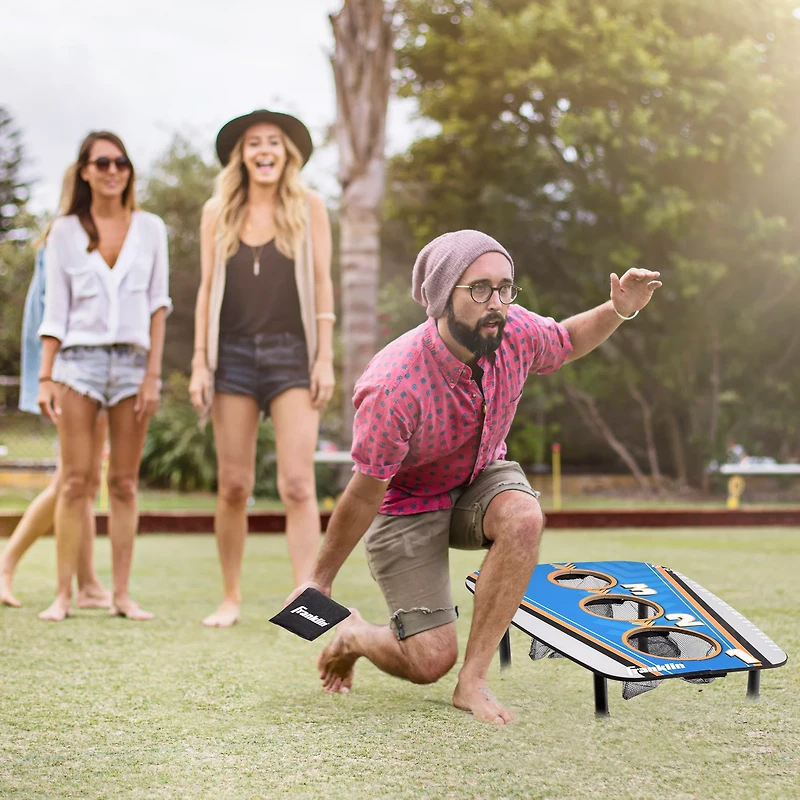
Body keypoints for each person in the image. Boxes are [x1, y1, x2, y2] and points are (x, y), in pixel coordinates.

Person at [288, 230, 662, 725]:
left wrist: (618, 309)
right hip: (407, 504)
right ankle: (356, 634)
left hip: (478, 478)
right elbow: (363, 494)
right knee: (428, 661)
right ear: (443, 297)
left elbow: (568, 341)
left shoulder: (514, 331)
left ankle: (474, 682)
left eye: (505, 287)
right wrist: (320, 578)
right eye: (480, 289)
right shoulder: (393, 387)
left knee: (524, 516)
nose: (497, 303)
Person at [189, 110, 335, 628]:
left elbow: (321, 285)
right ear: (242, 156)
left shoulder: (309, 206)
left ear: (287, 154)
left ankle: (306, 602)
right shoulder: (217, 213)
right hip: (230, 354)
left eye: (274, 142)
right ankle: (230, 597)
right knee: (233, 485)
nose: (264, 150)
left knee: (297, 484)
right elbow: (207, 290)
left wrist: (324, 357)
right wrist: (200, 364)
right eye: (254, 143)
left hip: (291, 353)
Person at [36, 131, 171, 622]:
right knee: (75, 482)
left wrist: (153, 375)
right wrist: (46, 376)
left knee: (124, 484)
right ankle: (63, 596)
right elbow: (56, 310)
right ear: (85, 170)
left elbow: (159, 304)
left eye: (121, 162)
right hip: (78, 365)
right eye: (102, 162)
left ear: (128, 170)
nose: (113, 170)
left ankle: (120, 596)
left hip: (134, 367)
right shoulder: (64, 231)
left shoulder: (151, 228)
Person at [0, 239, 108, 609]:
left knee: (86, 479)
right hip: (74, 376)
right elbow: (49, 317)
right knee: (72, 479)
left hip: (94, 373)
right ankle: (5, 564)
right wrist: (50, 380)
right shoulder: (64, 241)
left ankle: (89, 584)